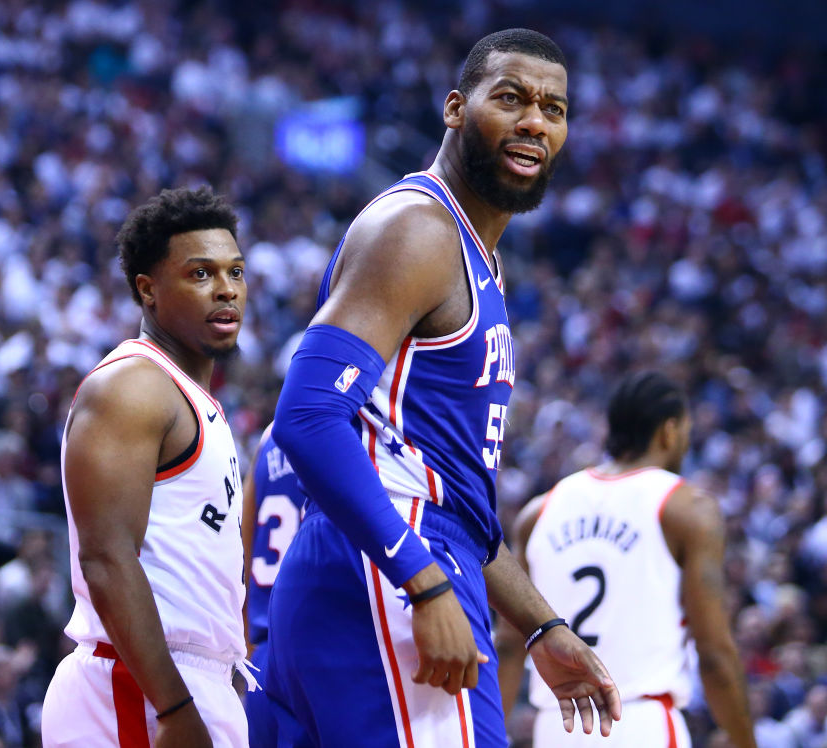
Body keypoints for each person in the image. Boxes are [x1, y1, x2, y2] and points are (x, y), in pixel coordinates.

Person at [267, 28, 621, 748]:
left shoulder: (476, 254)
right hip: (391, 568)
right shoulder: (419, 230)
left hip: (388, 559)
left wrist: (544, 626)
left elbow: (459, 502)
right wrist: (422, 582)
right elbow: (306, 415)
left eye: (553, 109)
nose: (534, 121)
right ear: (456, 108)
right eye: (512, 98)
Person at [42, 187, 253, 748]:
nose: (227, 289)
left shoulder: (188, 396)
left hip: (185, 682)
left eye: (235, 271)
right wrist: (174, 706)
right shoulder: (133, 387)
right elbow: (106, 558)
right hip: (139, 686)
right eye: (201, 274)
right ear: (148, 290)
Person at [496, 371, 756, 748]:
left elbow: (508, 646)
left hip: (556, 725)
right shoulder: (687, 509)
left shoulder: (539, 512)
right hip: (640, 720)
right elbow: (714, 653)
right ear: (669, 431)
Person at [240, 424, 306, 745]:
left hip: (261, 656)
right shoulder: (356, 422)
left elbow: (241, 540)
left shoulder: (268, 435)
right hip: (321, 653)